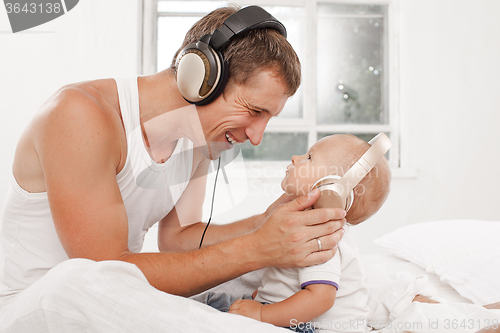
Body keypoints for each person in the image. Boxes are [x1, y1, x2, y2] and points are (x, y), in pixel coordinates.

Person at [0, 5, 346, 332]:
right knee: (76, 278)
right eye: (254, 111)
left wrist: (269, 227)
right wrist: (256, 247)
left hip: (116, 295)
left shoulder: (197, 139)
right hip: (36, 305)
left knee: (273, 269)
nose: (256, 136)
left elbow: (180, 240)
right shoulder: (79, 114)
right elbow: (106, 269)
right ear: (202, 79)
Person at [203, 134, 391, 332]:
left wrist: (261, 314)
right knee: (216, 302)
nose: (295, 157)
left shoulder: (322, 235)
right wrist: (273, 291)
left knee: (220, 311)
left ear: (332, 190)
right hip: (298, 318)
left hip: (313, 327)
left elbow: (320, 299)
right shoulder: (306, 225)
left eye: (309, 157)